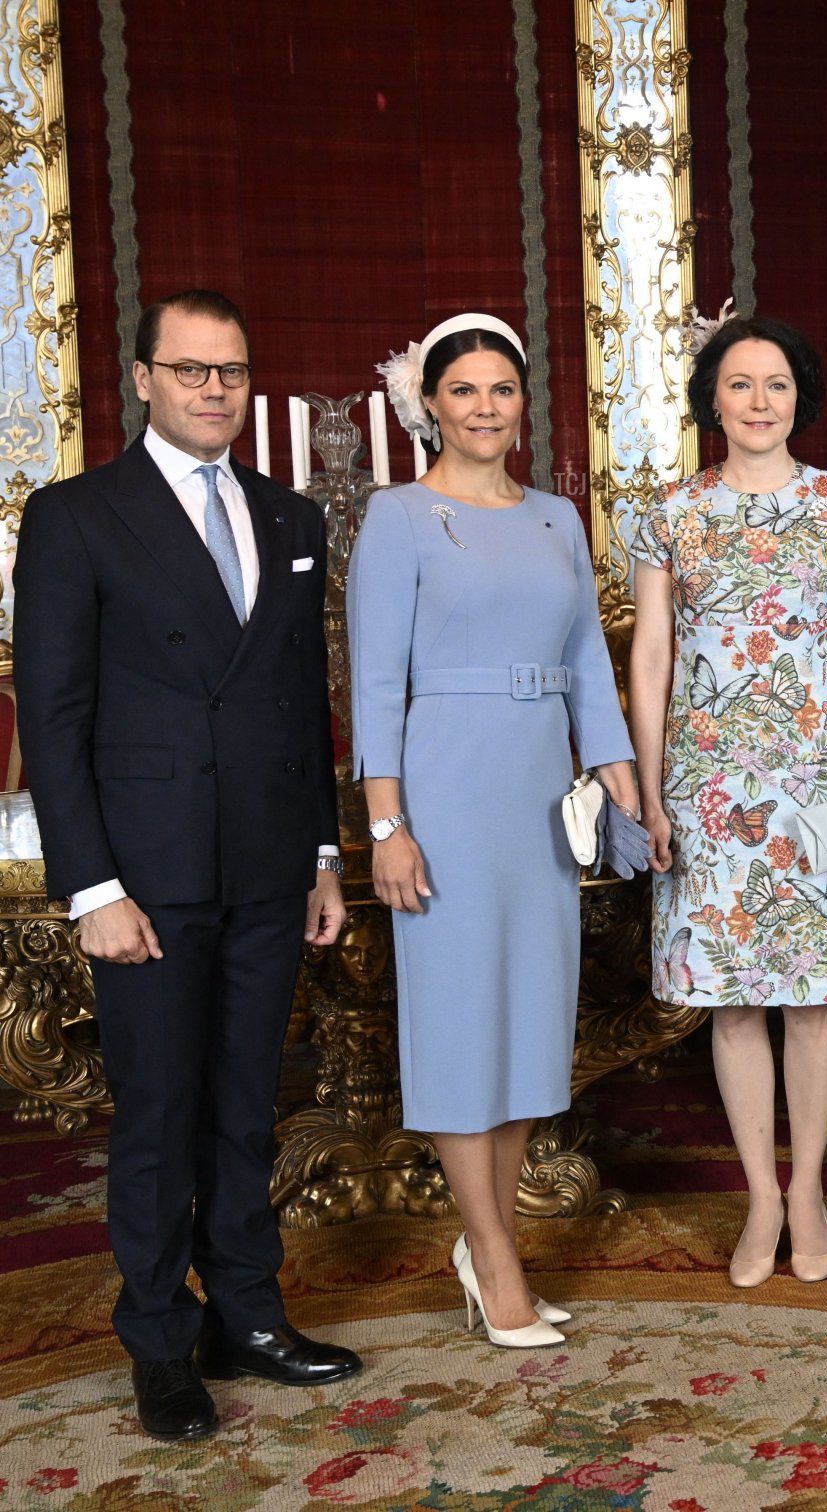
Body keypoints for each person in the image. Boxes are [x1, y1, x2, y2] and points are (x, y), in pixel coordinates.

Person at [13, 289, 361, 1443]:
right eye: (194, 370)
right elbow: (52, 719)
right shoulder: (75, 516)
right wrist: (92, 888)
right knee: (158, 1115)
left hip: (269, 863)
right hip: (146, 880)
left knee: (249, 1106)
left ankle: (249, 1317)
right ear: (144, 380)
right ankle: (160, 1341)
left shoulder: (291, 517)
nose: (216, 389)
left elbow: (303, 707)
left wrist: (322, 854)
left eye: (233, 371)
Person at [349, 313, 643, 1348]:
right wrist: (387, 824)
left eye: (502, 391)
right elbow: (377, 684)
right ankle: (497, 1257)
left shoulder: (561, 519)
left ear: (526, 404)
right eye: (463, 390)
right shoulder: (397, 517)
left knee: (526, 1024)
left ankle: (487, 1241)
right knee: (460, 1023)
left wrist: (623, 787)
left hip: (536, 796)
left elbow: (590, 673)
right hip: (445, 789)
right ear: (428, 401)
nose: (484, 408)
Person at [628, 313, 827, 1288]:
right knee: (734, 1003)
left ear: (799, 398)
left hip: (820, 785)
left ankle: (811, 1188)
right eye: (739, 384)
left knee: (816, 1001)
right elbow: (650, 657)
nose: (757, 402)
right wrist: (651, 794)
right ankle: (761, 1198)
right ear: (713, 401)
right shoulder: (672, 514)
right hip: (707, 792)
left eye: (775, 384)